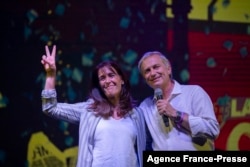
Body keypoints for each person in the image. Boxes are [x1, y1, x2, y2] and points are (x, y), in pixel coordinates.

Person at [41, 45, 146, 167]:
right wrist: (50, 75)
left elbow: (145, 148)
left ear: (121, 79)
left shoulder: (136, 115)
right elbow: (50, 108)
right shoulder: (90, 110)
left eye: (111, 75)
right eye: (102, 78)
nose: (107, 81)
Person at [137, 51, 220, 151]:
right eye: (147, 71)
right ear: (145, 79)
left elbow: (212, 130)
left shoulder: (194, 93)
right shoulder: (145, 107)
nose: (153, 73)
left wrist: (177, 114)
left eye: (156, 67)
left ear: (168, 69)